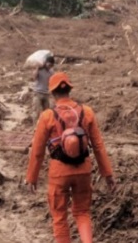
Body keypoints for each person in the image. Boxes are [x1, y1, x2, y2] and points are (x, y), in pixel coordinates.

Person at [26, 72, 116, 243]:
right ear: (69, 89)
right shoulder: (87, 112)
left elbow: (37, 151)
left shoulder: (47, 116)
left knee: (59, 216)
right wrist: (108, 175)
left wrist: (32, 177)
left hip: (59, 172)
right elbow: (98, 146)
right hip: (83, 170)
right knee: (82, 213)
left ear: (52, 93)